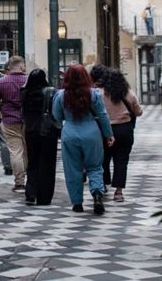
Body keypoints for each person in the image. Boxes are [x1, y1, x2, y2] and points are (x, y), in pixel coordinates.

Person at [53, 65, 114, 215]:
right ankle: (97, 194)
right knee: (95, 166)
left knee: (72, 169)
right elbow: (102, 115)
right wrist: (108, 134)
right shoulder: (94, 94)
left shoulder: (61, 95)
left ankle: (77, 203)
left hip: (70, 131)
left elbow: (56, 115)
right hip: (91, 132)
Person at [100, 68, 143, 202]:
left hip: (105, 130)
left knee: (103, 159)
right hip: (124, 130)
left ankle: (103, 183)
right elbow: (138, 112)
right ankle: (118, 192)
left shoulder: (100, 94)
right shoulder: (129, 94)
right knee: (121, 160)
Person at [0, 56, 29, 192]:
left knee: (15, 151)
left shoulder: (0, 82)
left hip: (10, 120)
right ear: (21, 67)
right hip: (28, 120)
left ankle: (19, 183)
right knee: (27, 150)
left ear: (9, 67)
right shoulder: (29, 80)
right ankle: (31, 180)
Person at [21, 68, 59, 205]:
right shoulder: (51, 92)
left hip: (30, 131)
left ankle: (30, 192)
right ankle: (44, 196)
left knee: (32, 161)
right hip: (48, 131)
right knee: (47, 163)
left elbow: (23, 112)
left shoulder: (24, 93)